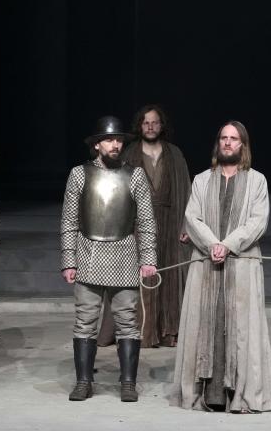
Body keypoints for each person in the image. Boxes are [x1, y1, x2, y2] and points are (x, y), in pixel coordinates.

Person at [174, 120, 271, 412]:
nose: (228, 143)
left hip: (241, 267)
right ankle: (208, 394)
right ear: (218, 143)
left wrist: (227, 244)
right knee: (205, 321)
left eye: (234, 139)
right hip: (205, 264)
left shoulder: (257, 181)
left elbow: (258, 221)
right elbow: (193, 218)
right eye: (223, 138)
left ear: (243, 145)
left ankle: (240, 394)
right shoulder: (202, 180)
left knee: (241, 328)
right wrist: (212, 244)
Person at [60, 116, 157, 402]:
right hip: (88, 252)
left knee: (127, 320)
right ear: (97, 144)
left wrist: (148, 258)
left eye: (119, 140)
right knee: (85, 320)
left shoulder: (136, 175)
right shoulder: (80, 174)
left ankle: (128, 382)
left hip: (124, 253)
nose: (115, 144)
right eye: (109, 139)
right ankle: (83, 380)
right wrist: (69, 260)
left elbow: (147, 221)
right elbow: (69, 220)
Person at [98, 104, 190, 348]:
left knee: (168, 275)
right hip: (137, 225)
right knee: (139, 276)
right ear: (140, 126)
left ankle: (168, 331)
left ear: (162, 126)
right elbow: (115, 190)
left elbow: (186, 191)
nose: (150, 126)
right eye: (146, 122)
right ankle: (140, 331)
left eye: (155, 122)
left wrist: (186, 224)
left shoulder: (174, 154)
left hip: (170, 223)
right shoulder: (129, 154)